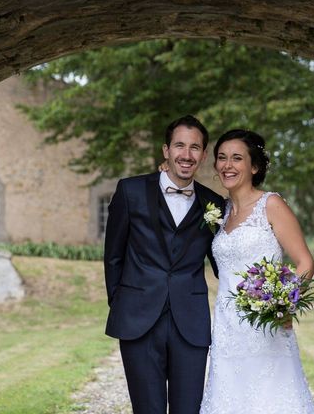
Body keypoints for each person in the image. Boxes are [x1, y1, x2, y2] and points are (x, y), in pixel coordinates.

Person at [104, 115, 225, 414]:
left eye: (195, 147)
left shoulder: (215, 204)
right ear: (166, 150)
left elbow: (223, 261)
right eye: (179, 146)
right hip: (138, 321)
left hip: (191, 324)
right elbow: (113, 255)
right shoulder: (130, 191)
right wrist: (122, 303)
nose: (186, 155)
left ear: (204, 155)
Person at [199, 129, 314, 414]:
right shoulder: (220, 211)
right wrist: (165, 168)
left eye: (237, 158)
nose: (227, 165)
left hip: (265, 328)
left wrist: (282, 305)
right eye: (222, 158)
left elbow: (305, 262)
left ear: (254, 166)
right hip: (227, 329)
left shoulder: (271, 205)